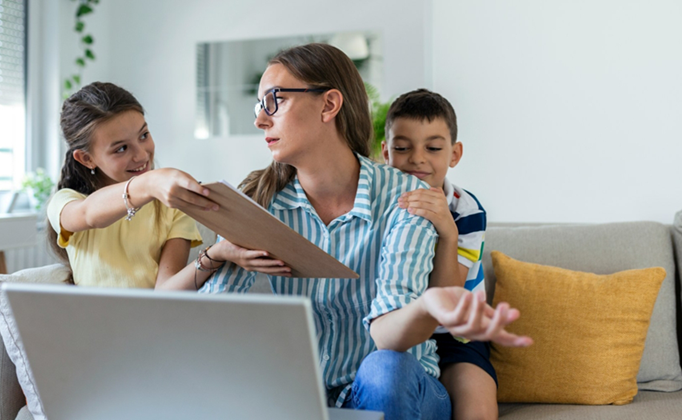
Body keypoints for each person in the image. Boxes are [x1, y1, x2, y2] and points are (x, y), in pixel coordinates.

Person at [199, 44, 532, 420]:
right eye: (260, 105)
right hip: (300, 394)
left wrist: (426, 305)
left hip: (396, 389)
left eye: (274, 100)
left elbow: (387, 339)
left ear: (329, 105)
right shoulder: (260, 201)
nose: (261, 119)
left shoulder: (409, 198)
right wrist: (215, 253)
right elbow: (210, 327)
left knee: (384, 369)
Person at [46, 82, 291, 290]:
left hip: (152, 329)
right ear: (86, 158)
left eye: (144, 135)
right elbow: (88, 214)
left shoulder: (171, 207)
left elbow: (165, 293)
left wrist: (217, 253)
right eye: (121, 148)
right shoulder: (67, 202)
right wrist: (150, 183)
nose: (141, 155)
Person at [384, 89, 497, 420]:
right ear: (385, 152)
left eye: (433, 148)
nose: (418, 158)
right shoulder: (378, 203)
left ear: (454, 153)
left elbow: (448, 299)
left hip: (457, 335)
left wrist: (447, 231)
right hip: (397, 329)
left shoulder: (467, 210)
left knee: (476, 400)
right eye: (402, 148)